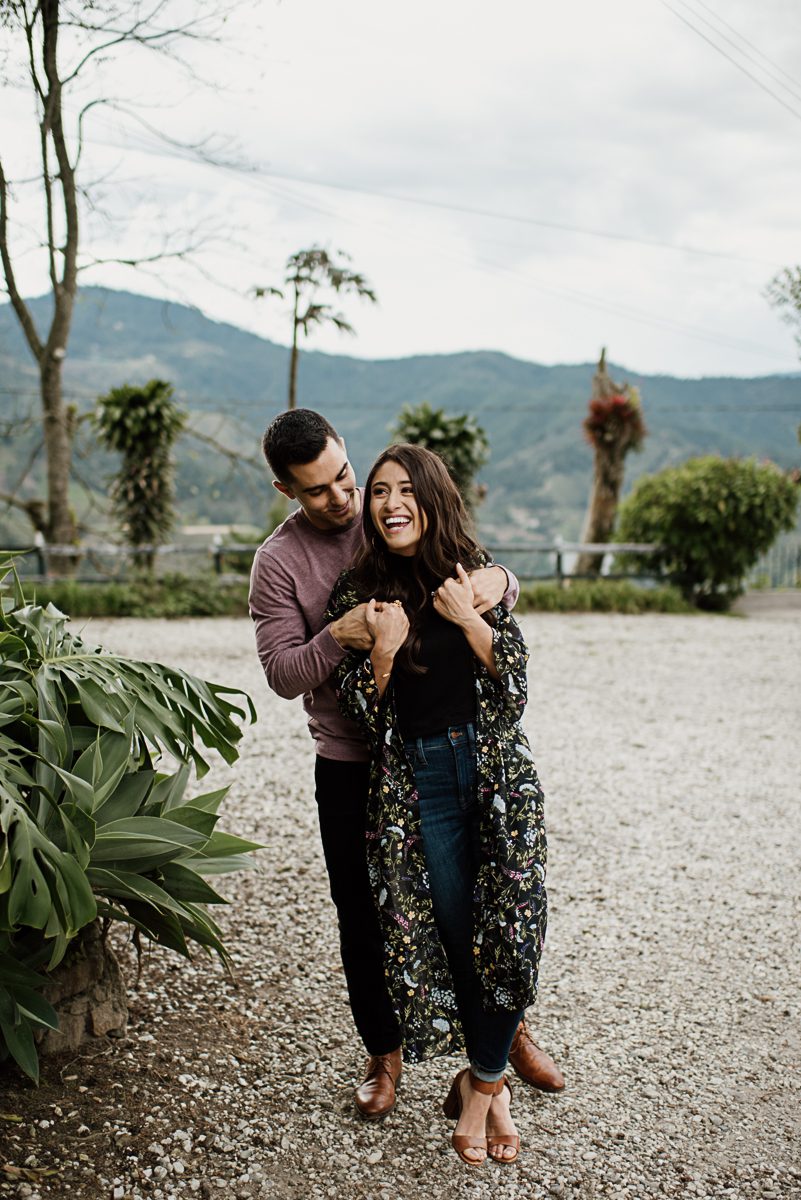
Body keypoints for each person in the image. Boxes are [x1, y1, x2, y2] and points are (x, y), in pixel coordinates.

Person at [249, 409, 564, 1121]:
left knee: (482, 903)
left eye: (343, 477)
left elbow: (481, 580)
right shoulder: (279, 562)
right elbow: (282, 671)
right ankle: (384, 1054)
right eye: (317, 490)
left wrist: (500, 582)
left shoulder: (389, 510)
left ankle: (501, 1039)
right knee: (366, 916)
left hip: (448, 751)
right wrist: (342, 635)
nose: (342, 499)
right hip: (353, 760)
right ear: (284, 489)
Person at [326, 443, 549, 1166]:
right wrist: (383, 650)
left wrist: (472, 619)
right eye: (379, 492)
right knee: (460, 942)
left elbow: (512, 693)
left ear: (432, 497)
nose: (390, 503)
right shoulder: (359, 592)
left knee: (512, 939)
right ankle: (487, 1086)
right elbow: (360, 709)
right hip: (420, 784)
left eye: (404, 490)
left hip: (493, 779)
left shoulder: (470, 572)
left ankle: (483, 1084)